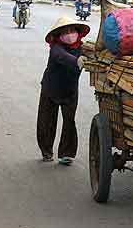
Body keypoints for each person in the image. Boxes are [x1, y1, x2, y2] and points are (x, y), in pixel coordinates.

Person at [37, 16, 90, 164]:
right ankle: (47, 151)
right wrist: (76, 61)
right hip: (50, 88)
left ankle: (66, 154)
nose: (69, 34)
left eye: (72, 30)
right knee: (47, 121)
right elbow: (61, 56)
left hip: (70, 90)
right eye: (65, 31)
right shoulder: (56, 47)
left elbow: (93, 55)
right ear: (59, 35)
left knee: (69, 121)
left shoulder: (82, 47)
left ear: (77, 32)